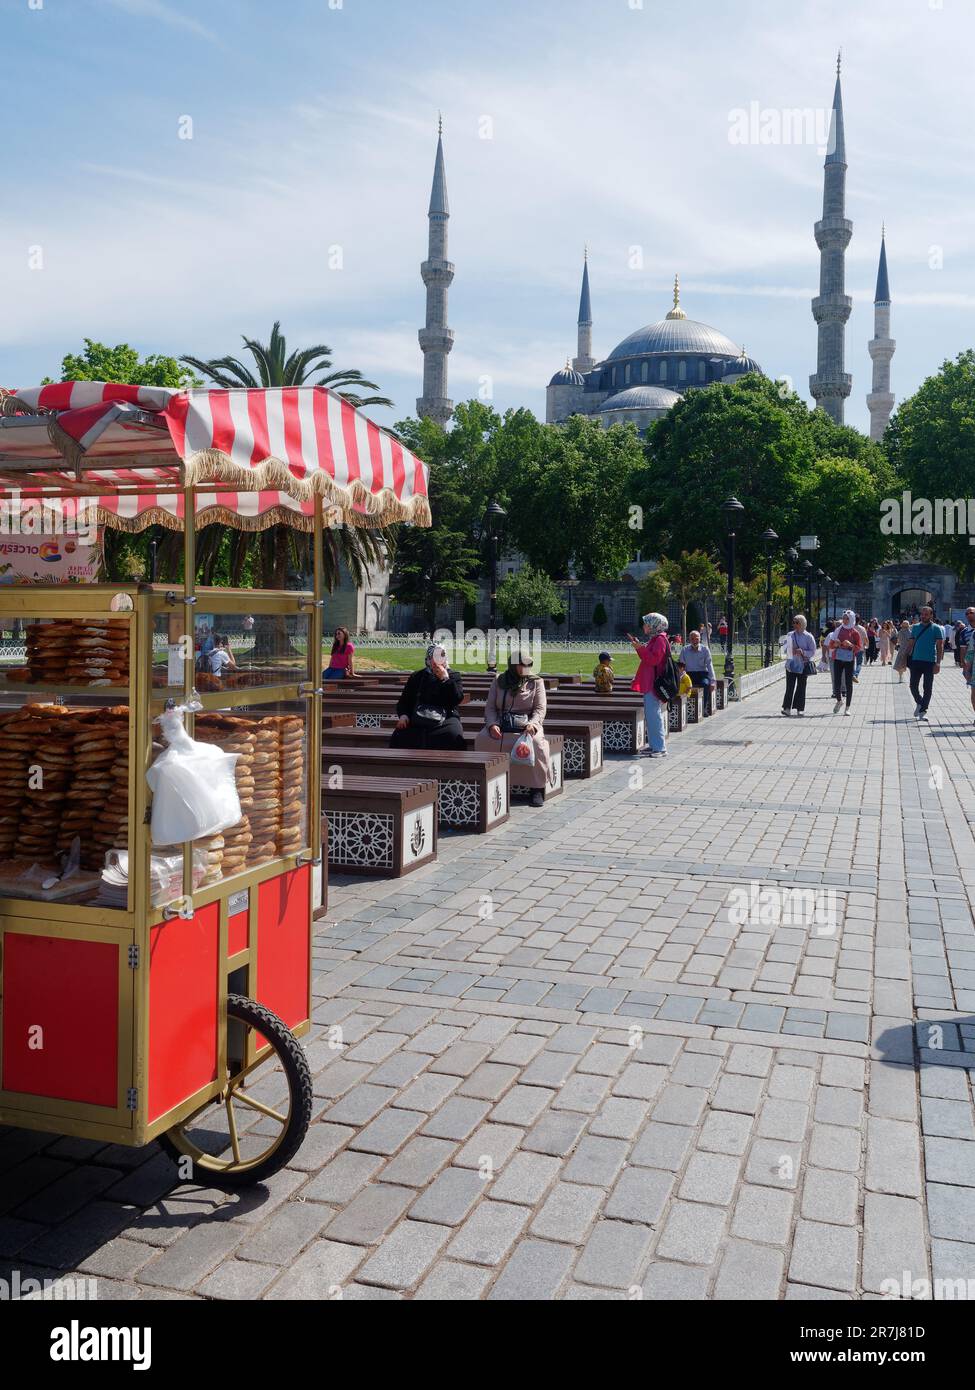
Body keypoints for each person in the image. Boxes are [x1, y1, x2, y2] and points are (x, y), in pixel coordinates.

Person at [475, 652, 551, 807]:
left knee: (536, 744)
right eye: (523, 664)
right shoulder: (499, 681)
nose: (526, 667)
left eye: (529, 664)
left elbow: (540, 709)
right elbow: (490, 707)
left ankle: (536, 788)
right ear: (513, 665)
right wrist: (492, 724)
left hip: (526, 725)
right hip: (502, 723)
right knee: (483, 739)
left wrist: (533, 724)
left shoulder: (536, 682)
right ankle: (489, 782)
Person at [391, 643, 466, 750]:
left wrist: (445, 679)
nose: (437, 661)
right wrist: (404, 715)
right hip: (418, 718)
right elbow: (404, 702)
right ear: (428, 659)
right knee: (399, 736)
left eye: (441, 656)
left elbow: (456, 699)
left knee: (453, 735)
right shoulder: (417, 676)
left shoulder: (453, 676)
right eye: (434, 657)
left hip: (445, 719)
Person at [627, 612, 671, 758]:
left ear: (654, 626)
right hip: (651, 681)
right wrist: (640, 647)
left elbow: (653, 660)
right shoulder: (656, 639)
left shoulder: (659, 640)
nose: (644, 626)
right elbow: (649, 658)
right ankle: (654, 746)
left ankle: (660, 747)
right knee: (651, 715)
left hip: (654, 683)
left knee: (654, 714)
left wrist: (640, 648)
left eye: (646, 623)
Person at [904, 605, 944, 722]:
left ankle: (923, 710)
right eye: (922, 614)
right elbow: (910, 643)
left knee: (928, 687)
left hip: (930, 661)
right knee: (913, 685)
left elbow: (940, 645)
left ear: (931, 615)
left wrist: (938, 663)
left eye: (926, 614)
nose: (923, 616)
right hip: (915, 660)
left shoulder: (936, 628)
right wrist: (903, 657)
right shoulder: (915, 627)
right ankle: (920, 702)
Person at [825, 610, 861, 714]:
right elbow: (831, 645)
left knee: (848, 683)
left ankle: (847, 707)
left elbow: (859, 648)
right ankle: (839, 701)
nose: (845, 620)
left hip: (849, 660)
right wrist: (835, 644)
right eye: (844, 618)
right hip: (838, 658)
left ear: (852, 619)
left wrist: (851, 645)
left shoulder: (855, 632)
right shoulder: (838, 630)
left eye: (847, 618)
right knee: (837, 682)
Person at [781, 614, 817, 716]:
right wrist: (791, 650)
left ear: (802, 624)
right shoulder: (790, 635)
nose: (794, 624)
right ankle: (786, 708)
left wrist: (803, 652)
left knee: (801, 687)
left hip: (803, 665)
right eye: (793, 622)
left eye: (797, 622)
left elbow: (813, 651)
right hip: (791, 665)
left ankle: (799, 708)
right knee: (790, 687)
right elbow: (783, 649)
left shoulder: (808, 637)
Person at [681, 629, 717, 712]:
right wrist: (680, 678)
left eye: (697, 639)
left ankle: (703, 709)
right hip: (689, 675)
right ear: (689, 640)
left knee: (705, 684)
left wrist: (713, 681)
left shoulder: (705, 650)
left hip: (702, 674)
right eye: (692, 639)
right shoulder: (684, 650)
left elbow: (709, 665)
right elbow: (681, 666)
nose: (695, 641)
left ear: (700, 639)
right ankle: (686, 710)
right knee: (682, 686)